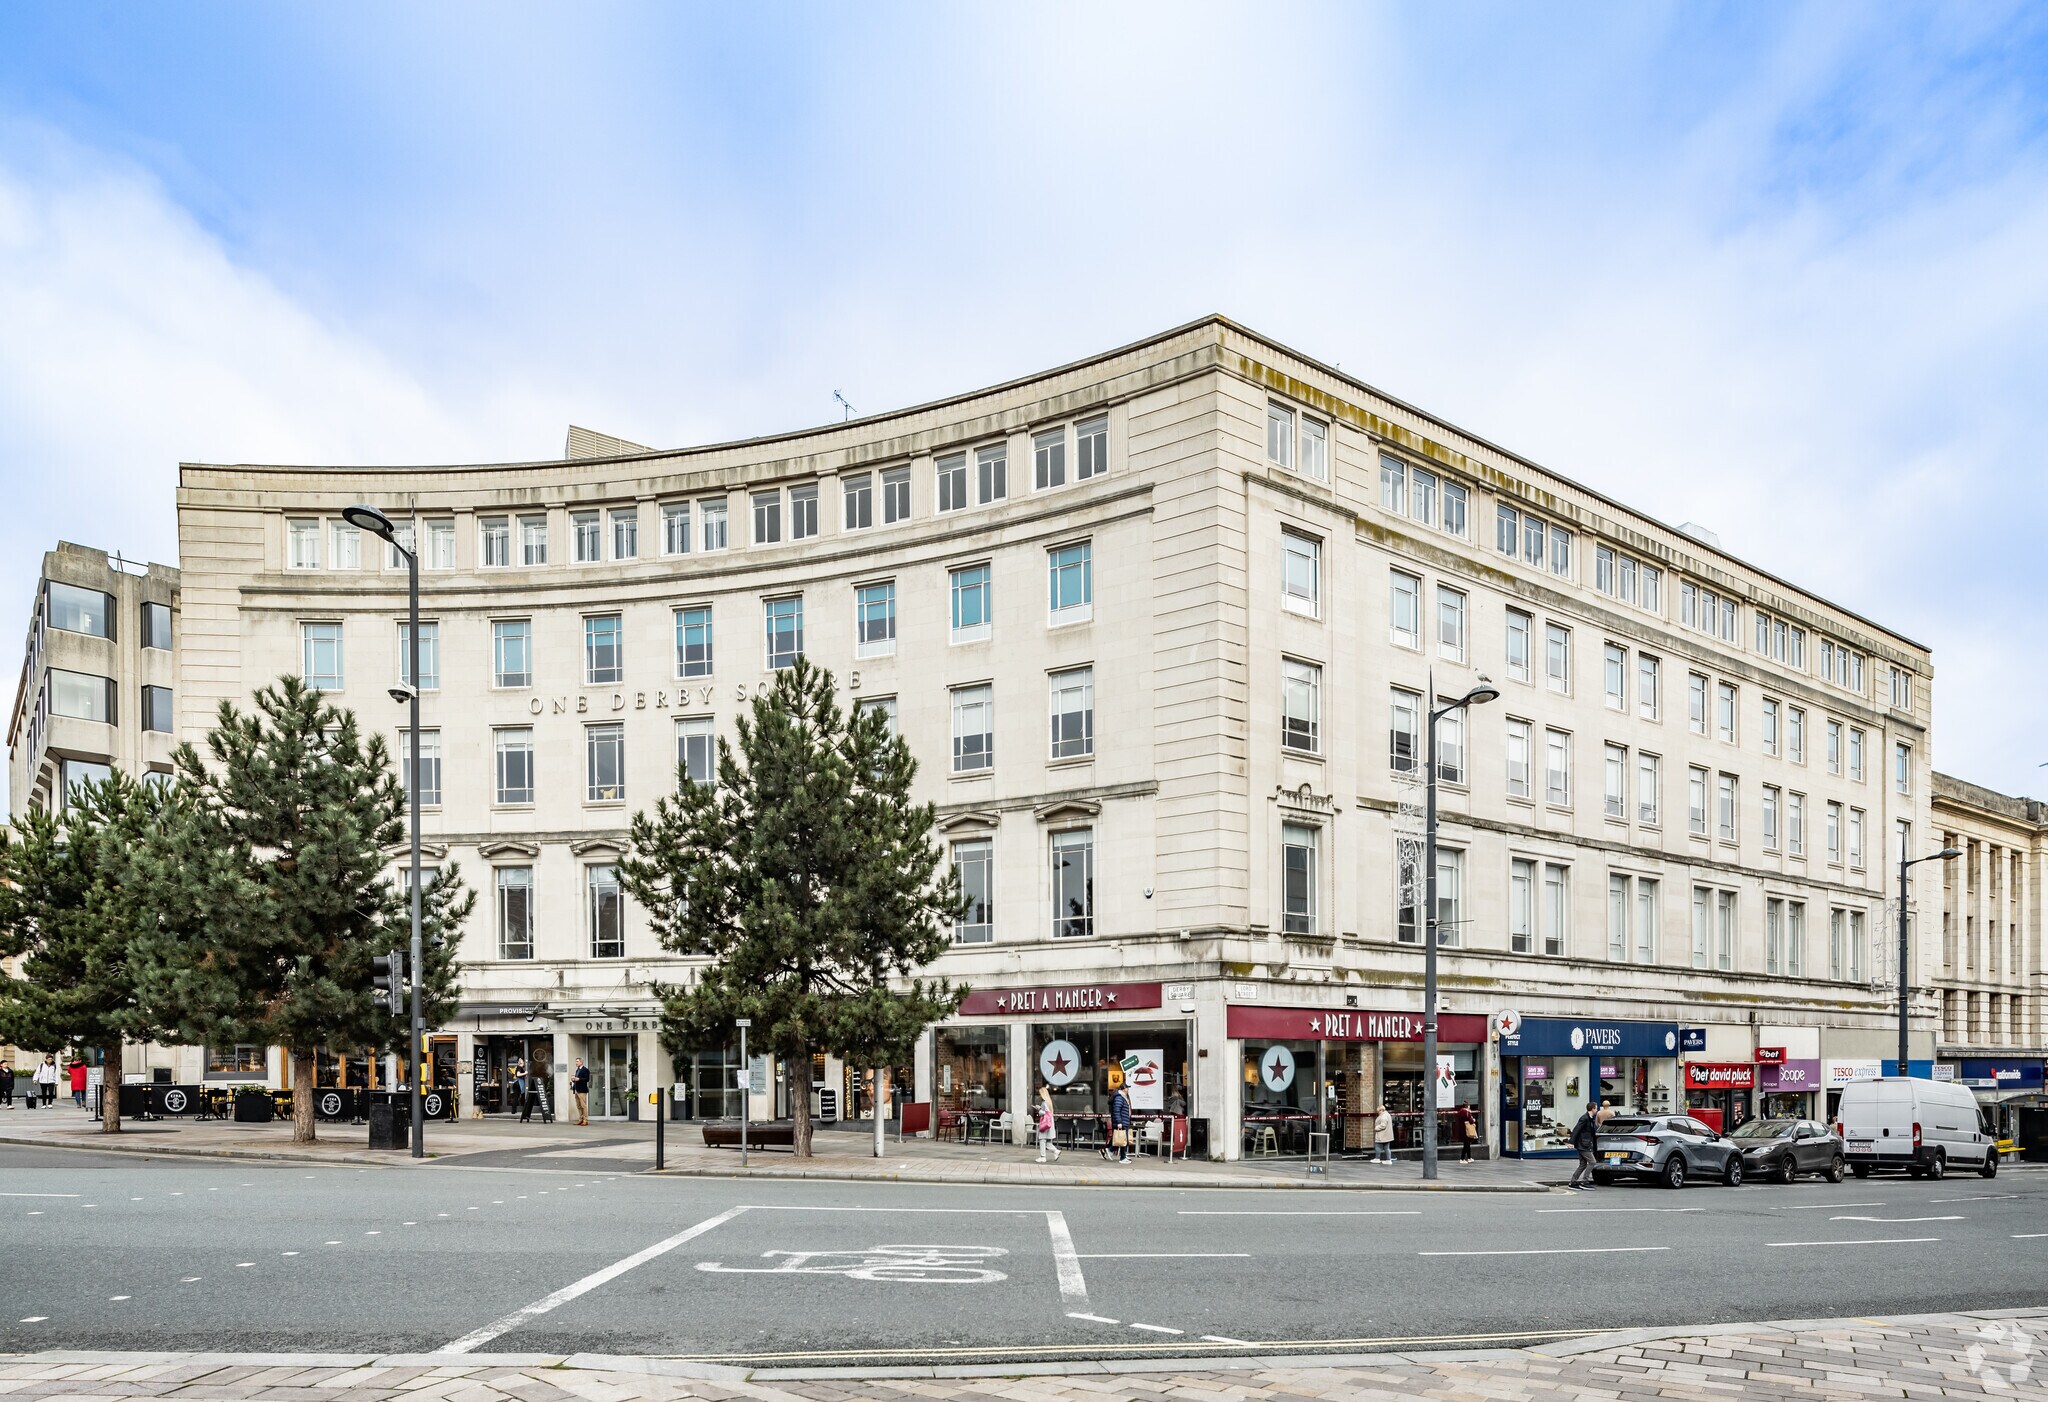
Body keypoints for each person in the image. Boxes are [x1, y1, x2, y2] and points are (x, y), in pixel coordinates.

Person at [1568, 1102, 1600, 1189]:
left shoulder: (1590, 1118)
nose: (1597, 1110)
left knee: (1583, 1164)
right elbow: (1576, 1129)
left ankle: (1573, 1182)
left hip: (1585, 1144)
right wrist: (1571, 1142)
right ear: (1593, 1109)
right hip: (1583, 1145)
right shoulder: (1584, 1118)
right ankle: (1585, 1181)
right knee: (1592, 1162)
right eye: (1596, 1108)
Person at [1106, 1081, 1133, 1164]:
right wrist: (1119, 1122)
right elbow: (1116, 1111)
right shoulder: (1119, 1098)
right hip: (1122, 1121)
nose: (1128, 1089)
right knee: (1123, 1140)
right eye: (1127, 1088)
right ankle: (1121, 1157)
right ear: (1124, 1089)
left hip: (1124, 1121)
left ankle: (1116, 1153)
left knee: (1124, 1140)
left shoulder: (1123, 1097)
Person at [1034, 1085, 1061, 1163]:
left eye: (1040, 1094)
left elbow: (1043, 1113)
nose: (1039, 1096)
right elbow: (1049, 1112)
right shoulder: (1049, 1102)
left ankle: (1043, 1157)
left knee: (1042, 1140)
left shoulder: (1044, 1102)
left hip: (1045, 1123)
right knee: (1048, 1142)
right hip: (1049, 1123)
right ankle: (1056, 1151)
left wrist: (1038, 1109)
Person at [571, 1059, 591, 1126]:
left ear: (581, 1062)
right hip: (577, 1090)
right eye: (575, 1061)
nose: (576, 1063)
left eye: (577, 1061)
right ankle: (580, 1119)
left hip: (582, 1090)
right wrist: (573, 1079)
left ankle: (585, 1120)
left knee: (583, 1105)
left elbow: (587, 1079)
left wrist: (579, 1079)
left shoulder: (585, 1070)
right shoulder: (577, 1070)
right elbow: (577, 1080)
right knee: (578, 1106)